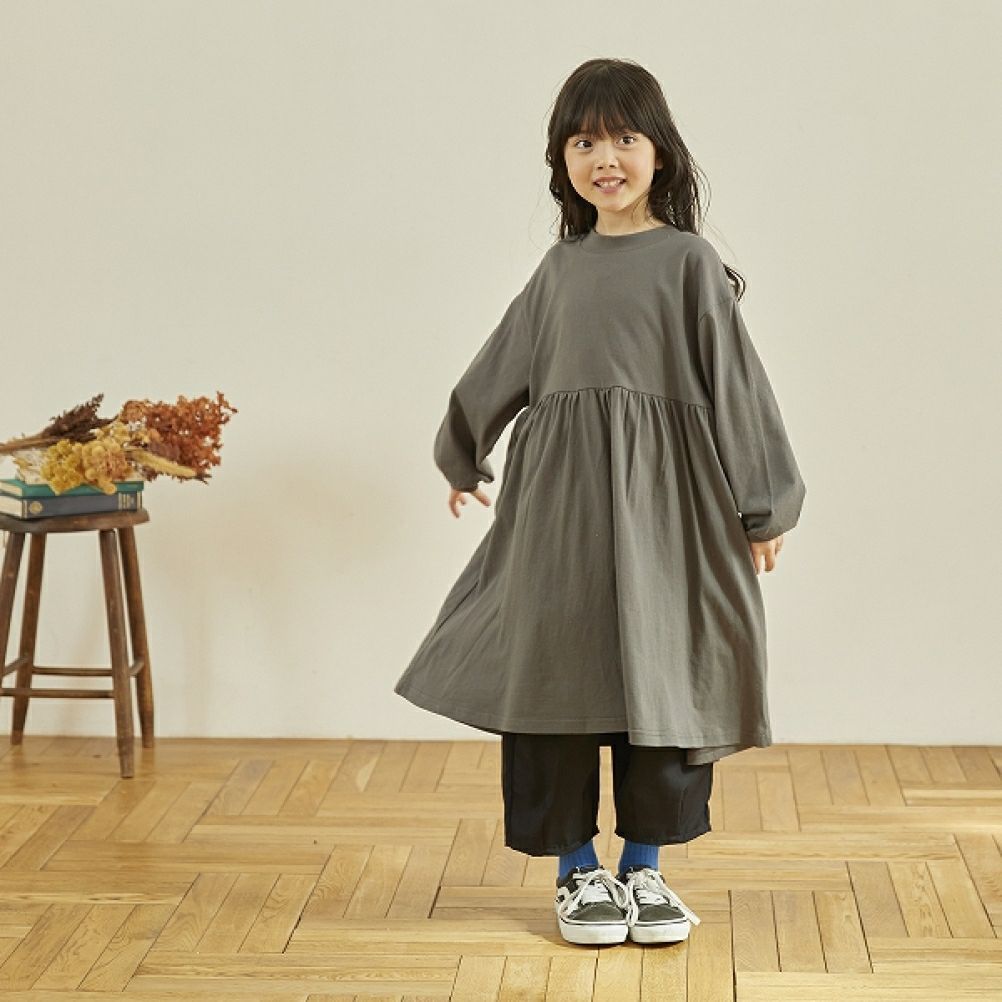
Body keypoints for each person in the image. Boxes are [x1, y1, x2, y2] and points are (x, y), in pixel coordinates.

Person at [394, 57, 807, 947]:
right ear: (563, 161)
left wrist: (764, 505)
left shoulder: (690, 264)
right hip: (561, 515)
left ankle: (645, 869)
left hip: (671, 511)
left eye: (623, 137)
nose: (605, 158)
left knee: (668, 672)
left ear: (660, 153)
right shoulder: (560, 271)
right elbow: (500, 365)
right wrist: (462, 453)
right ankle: (577, 872)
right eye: (584, 142)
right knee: (553, 676)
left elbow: (737, 387)